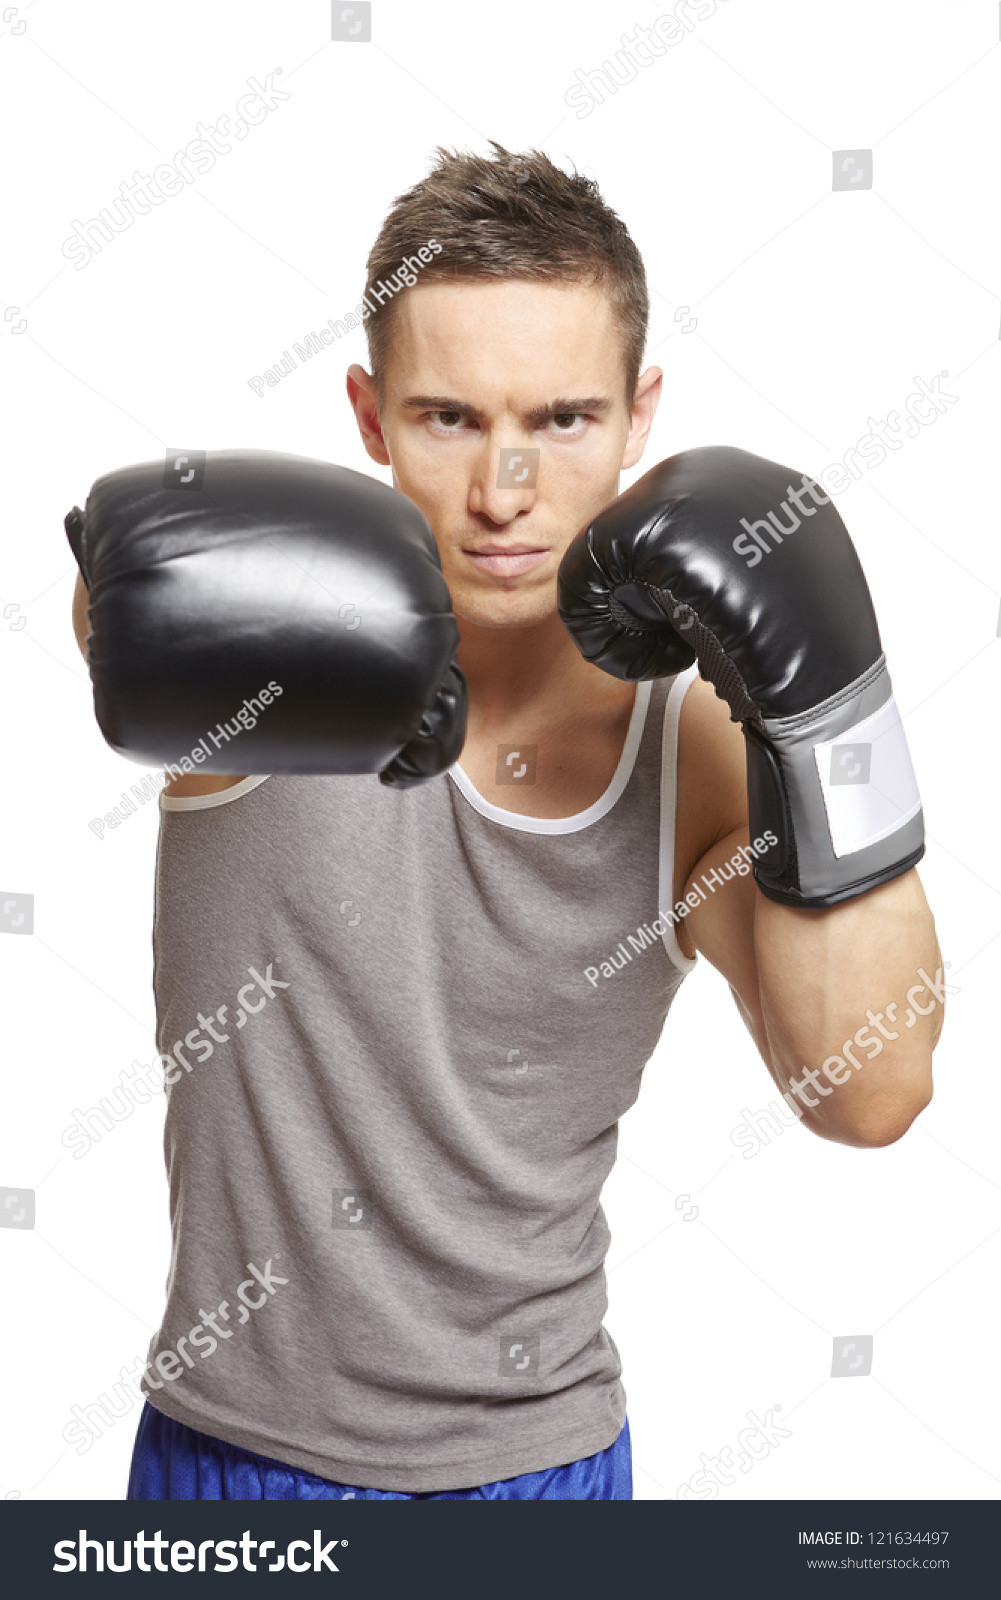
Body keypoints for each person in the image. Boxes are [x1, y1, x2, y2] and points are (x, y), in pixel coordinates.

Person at [70, 143, 943, 1502]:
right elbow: (118, 603)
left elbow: (870, 1090)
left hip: (540, 1466)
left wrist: (829, 708)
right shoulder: (264, 654)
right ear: (368, 416)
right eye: (449, 419)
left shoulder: (690, 740)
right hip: (238, 1461)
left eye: (563, 420)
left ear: (640, 413)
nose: (503, 491)